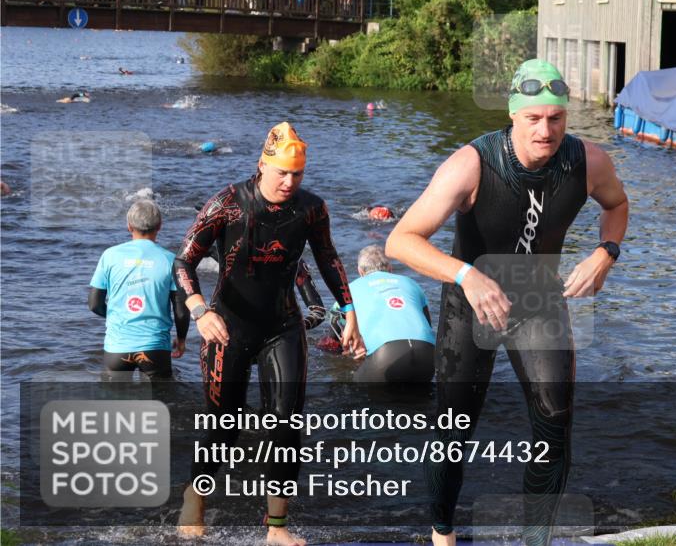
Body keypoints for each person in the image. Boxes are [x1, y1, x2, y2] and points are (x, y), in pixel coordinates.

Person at [386, 58, 629, 546]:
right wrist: (466, 274)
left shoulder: (589, 162)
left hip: (539, 299)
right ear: (514, 115)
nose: (546, 130)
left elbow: (617, 206)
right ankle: (442, 534)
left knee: (555, 417)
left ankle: (535, 538)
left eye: (556, 118)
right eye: (534, 118)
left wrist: (605, 253)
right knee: (455, 430)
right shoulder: (472, 164)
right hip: (471, 303)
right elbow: (401, 240)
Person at [173, 121, 365, 545]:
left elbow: (329, 258)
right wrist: (199, 311)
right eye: (281, 172)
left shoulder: (311, 208)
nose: (289, 182)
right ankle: (194, 494)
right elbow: (183, 262)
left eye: (297, 174)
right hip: (227, 325)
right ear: (262, 166)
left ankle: (276, 527)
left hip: (283, 326)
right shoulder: (227, 204)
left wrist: (350, 311)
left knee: (287, 423)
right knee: (225, 423)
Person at [89, 199, 189, 380]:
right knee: (160, 404)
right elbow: (181, 310)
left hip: (117, 348)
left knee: (115, 404)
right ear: (159, 226)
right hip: (155, 347)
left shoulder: (110, 256)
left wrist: (117, 315)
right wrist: (181, 339)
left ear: (129, 226)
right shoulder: (171, 260)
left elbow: (94, 304)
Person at [350, 245, 434, 383]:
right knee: (420, 399)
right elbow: (428, 325)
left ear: (360, 272)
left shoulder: (350, 288)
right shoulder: (411, 283)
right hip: (427, 352)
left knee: (354, 390)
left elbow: (333, 338)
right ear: (390, 268)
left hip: (386, 356)